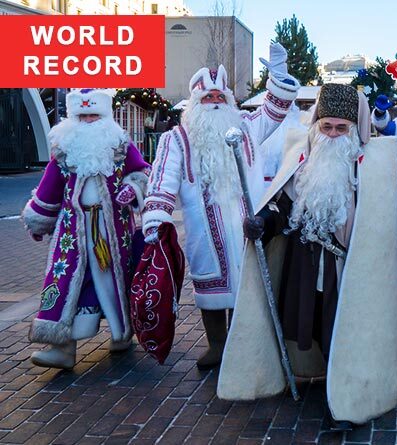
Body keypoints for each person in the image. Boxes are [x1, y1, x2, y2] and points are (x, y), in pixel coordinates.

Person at [221, 83, 397, 430]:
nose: (333, 135)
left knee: (345, 330)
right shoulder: (303, 156)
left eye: (341, 128)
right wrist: (264, 222)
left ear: (355, 129)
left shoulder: (372, 164)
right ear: (316, 125)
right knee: (315, 323)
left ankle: (346, 401)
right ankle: (328, 381)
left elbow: (382, 221)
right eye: (327, 127)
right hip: (306, 264)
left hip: (349, 268)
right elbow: (284, 203)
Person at [142, 43, 300, 369]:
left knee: (250, 284)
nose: (214, 104)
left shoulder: (246, 127)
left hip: (248, 225)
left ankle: (246, 343)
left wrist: (279, 75)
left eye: (220, 98)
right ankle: (217, 344)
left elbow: (276, 107)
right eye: (207, 99)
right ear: (194, 105)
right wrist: (156, 217)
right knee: (210, 284)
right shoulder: (177, 139)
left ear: (230, 102)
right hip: (204, 228)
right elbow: (162, 180)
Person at [22, 89, 150, 369]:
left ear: (105, 116)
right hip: (72, 234)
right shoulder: (64, 150)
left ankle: (122, 335)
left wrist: (132, 188)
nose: (89, 121)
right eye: (82, 116)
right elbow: (49, 189)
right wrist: (39, 220)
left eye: (94, 115)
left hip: (115, 233)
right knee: (67, 283)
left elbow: (141, 172)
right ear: (72, 118)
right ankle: (62, 347)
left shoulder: (121, 145)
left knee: (119, 281)